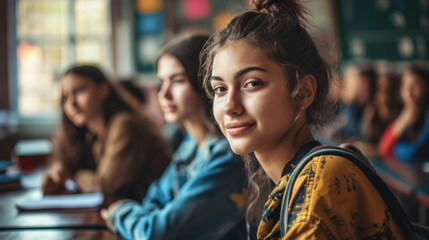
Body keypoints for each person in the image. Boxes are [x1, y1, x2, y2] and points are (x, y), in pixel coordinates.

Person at [200, 0, 407, 238]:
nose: (230, 106)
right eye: (220, 89)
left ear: (304, 92)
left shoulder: (323, 180)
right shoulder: (296, 178)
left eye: (252, 84)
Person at [101, 32, 248, 240]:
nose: (164, 94)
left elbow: (158, 234)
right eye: (161, 82)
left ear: (207, 83)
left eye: (178, 81)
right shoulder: (189, 145)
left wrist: (119, 211)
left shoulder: (228, 155)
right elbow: (153, 200)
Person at [42, 65, 170, 202]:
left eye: (79, 91)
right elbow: (62, 159)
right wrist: (59, 170)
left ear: (103, 89)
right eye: (65, 97)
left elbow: (106, 187)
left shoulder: (124, 125)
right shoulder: (90, 134)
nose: (71, 103)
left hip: (150, 215)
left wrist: (72, 176)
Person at [379, 62, 429, 162]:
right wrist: (402, 122)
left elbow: (417, 152)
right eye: (404, 85)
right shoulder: (407, 114)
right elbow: (383, 148)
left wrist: (396, 148)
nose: (408, 92)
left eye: (415, 85)